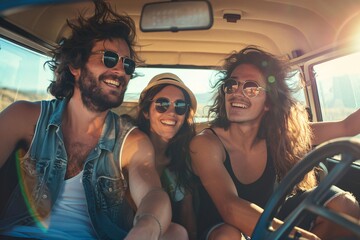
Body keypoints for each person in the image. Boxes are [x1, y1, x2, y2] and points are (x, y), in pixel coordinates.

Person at [0, 1, 174, 239]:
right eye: (109, 58)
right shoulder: (24, 117)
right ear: (75, 65)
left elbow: (154, 194)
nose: (121, 71)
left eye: (128, 64)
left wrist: (146, 226)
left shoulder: (131, 142)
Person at [189, 46, 360, 240]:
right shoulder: (205, 144)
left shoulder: (280, 136)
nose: (237, 92)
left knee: (343, 204)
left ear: (268, 103)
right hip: (222, 228)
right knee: (228, 236)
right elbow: (230, 206)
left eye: (251, 87)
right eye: (232, 85)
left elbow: (347, 127)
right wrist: (299, 237)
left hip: (271, 218)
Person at [136, 73, 198, 240]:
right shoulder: (125, 147)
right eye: (162, 104)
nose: (171, 112)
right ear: (146, 112)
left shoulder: (181, 160)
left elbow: (187, 215)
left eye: (180, 106)